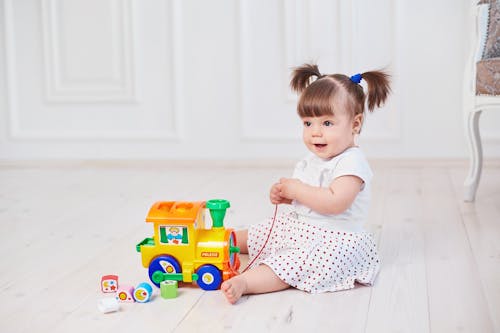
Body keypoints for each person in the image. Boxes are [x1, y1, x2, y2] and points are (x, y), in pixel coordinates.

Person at [221, 63, 391, 304]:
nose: (315, 132)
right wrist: (287, 196)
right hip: (303, 227)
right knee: (260, 233)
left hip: (332, 241)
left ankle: (246, 282)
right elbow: (309, 196)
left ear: (355, 124)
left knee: (291, 263)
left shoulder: (352, 162)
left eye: (327, 123)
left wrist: (297, 189)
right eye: (308, 123)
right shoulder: (314, 159)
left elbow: (335, 203)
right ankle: (220, 242)